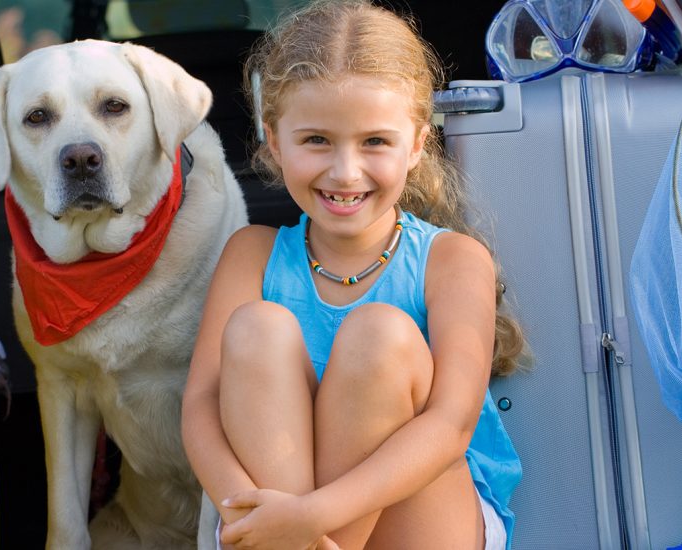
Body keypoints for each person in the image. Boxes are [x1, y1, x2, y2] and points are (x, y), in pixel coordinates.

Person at [181, 1, 525, 549]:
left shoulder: (453, 261)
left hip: (421, 511)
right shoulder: (251, 255)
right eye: (316, 140)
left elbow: (450, 427)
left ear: (416, 143)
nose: (346, 171)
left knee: (379, 335)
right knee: (256, 328)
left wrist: (309, 518)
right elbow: (200, 405)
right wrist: (249, 513)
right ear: (274, 140)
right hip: (277, 520)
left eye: (375, 142)